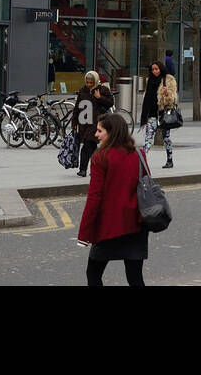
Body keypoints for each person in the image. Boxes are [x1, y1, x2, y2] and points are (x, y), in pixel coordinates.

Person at [77, 113, 148, 286]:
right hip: (136, 225)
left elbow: (95, 196)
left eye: (100, 131)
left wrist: (84, 234)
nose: (96, 134)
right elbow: (145, 187)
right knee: (135, 277)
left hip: (109, 227)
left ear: (112, 132)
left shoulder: (101, 156)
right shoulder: (139, 154)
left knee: (93, 274)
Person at [72, 70, 114, 178]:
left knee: (87, 146)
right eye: (87, 82)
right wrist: (74, 122)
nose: (89, 85)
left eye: (91, 82)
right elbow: (77, 108)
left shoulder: (102, 90)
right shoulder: (83, 90)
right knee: (92, 148)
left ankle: (83, 170)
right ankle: (100, 167)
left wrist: (99, 97)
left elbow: (110, 103)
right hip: (84, 123)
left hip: (96, 124)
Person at [139, 60, 178, 169]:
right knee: (148, 139)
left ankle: (170, 159)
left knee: (166, 138)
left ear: (161, 68)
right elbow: (147, 97)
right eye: (153, 69)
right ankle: (141, 162)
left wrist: (167, 94)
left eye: (156, 69)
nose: (155, 71)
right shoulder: (150, 80)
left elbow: (173, 99)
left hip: (163, 114)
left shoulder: (169, 79)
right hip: (151, 114)